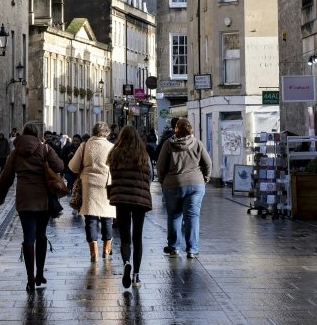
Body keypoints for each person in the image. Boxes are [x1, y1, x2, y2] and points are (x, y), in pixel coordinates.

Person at [0, 122, 65, 292]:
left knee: (28, 237)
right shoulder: (44, 149)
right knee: (41, 235)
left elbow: (6, 176)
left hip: (24, 199)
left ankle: (30, 279)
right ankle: (40, 273)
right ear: (36, 135)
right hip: (42, 199)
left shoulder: (15, 152)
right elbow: (60, 167)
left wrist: (1, 197)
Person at [156, 118, 211, 258]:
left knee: (174, 216)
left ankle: (174, 247)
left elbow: (160, 167)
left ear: (176, 129)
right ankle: (192, 250)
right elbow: (208, 164)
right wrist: (204, 180)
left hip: (172, 184)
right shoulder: (197, 144)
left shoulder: (168, 144)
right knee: (192, 216)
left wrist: (163, 182)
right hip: (195, 184)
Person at [107, 125, 153, 289]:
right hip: (140, 198)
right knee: (138, 237)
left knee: (125, 237)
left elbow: (111, 174)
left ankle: (126, 262)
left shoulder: (114, 153)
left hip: (121, 198)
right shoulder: (143, 154)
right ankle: (136, 276)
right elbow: (151, 176)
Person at [69, 122, 116, 262]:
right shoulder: (111, 147)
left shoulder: (84, 146)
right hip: (106, 185)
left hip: (88, 185)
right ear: (107, 133)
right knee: (107, 218)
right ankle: (106, 250)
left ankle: (93, 252)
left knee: (90, 219)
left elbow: (73, 166)